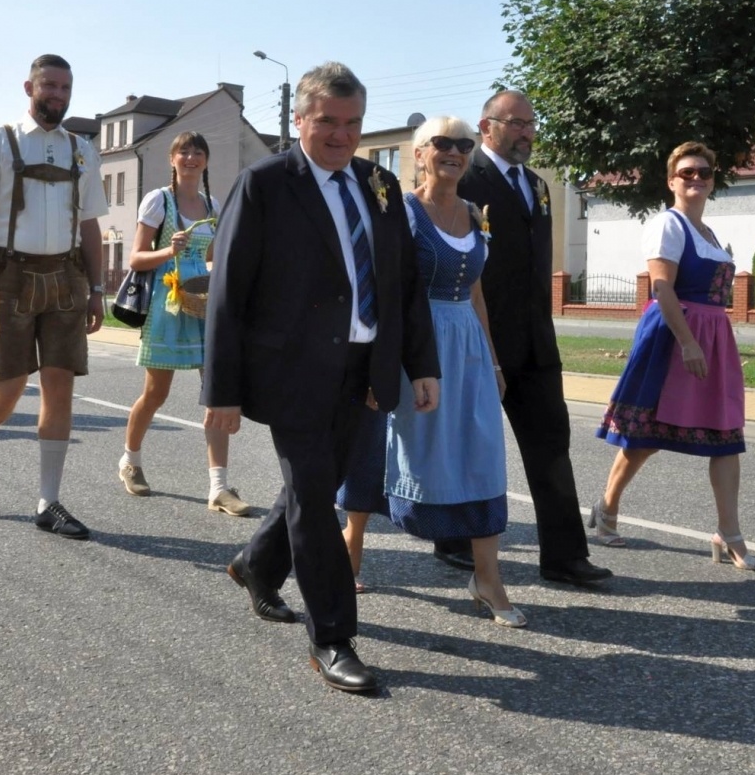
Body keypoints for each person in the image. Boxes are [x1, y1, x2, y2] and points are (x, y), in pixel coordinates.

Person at [203, 61, 439, 696]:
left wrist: (421, 364)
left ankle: (257, 564)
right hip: (293, 371)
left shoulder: (380, 185)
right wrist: (220, 390)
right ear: (300, 120)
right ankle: (332, 637)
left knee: (319, 484)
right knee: (314, 496)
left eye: (352, 123)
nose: (341, 134)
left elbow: (403, 284)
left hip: (367, 369)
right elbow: (228, 292)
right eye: (328, 122)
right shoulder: (264, 185)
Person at [338, 117, 524, 627]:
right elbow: (379, 284)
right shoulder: (400, 210)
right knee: (381, 443)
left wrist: (492, 358)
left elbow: (478, 293)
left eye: (464, 145)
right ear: (418, 154)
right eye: (441, 143)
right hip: (411, 342)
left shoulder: (472, 212)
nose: (454, 152)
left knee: (481, 450)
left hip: (466, 343)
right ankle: (350, 544)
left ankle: (487, 578)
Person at [433, 89, 612, 588]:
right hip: (479, 338)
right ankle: (453, 539)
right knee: (471, 444)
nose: (526, 132)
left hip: (536, 342)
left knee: (552, 443)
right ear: (486, 127)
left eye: (531, 124)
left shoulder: (537, 185)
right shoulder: (464, 178)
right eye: (515, 123)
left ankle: (564, 556)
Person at [0, 54, 109, 541]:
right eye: (50, 86)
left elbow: (90, 225)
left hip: (66, 276)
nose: (58, 96)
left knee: (59, 385)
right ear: (29, 87)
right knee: (8, 389)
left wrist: (97, 289)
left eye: (66, 88)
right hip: (7, 276)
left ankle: (49, 501)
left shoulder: (81, 151)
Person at [593, 142, 755, 570]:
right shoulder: (667, 224)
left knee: (726, 437)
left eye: (704, 172)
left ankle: (729, 533)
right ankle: (607, 508)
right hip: (674, 334)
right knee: (646, 435)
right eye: (686, 173)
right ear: (671, 181)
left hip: (714, 335)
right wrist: (688, 343)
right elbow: (662, 288)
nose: (696, 179)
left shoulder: (708, 233)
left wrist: (711, 342)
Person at [118, 132, 250, 516]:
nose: (191, 157)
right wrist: (167, 249)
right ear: (172, 159)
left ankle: (219, 488)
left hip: (204, 302)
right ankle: (130, 461)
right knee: (156, 393)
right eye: (184, 152)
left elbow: (214, 258)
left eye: (198, 152)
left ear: (206, 160)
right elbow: (135, 259)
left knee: (216, 393)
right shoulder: (158, 200)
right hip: (167, 301)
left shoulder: (213, 203)